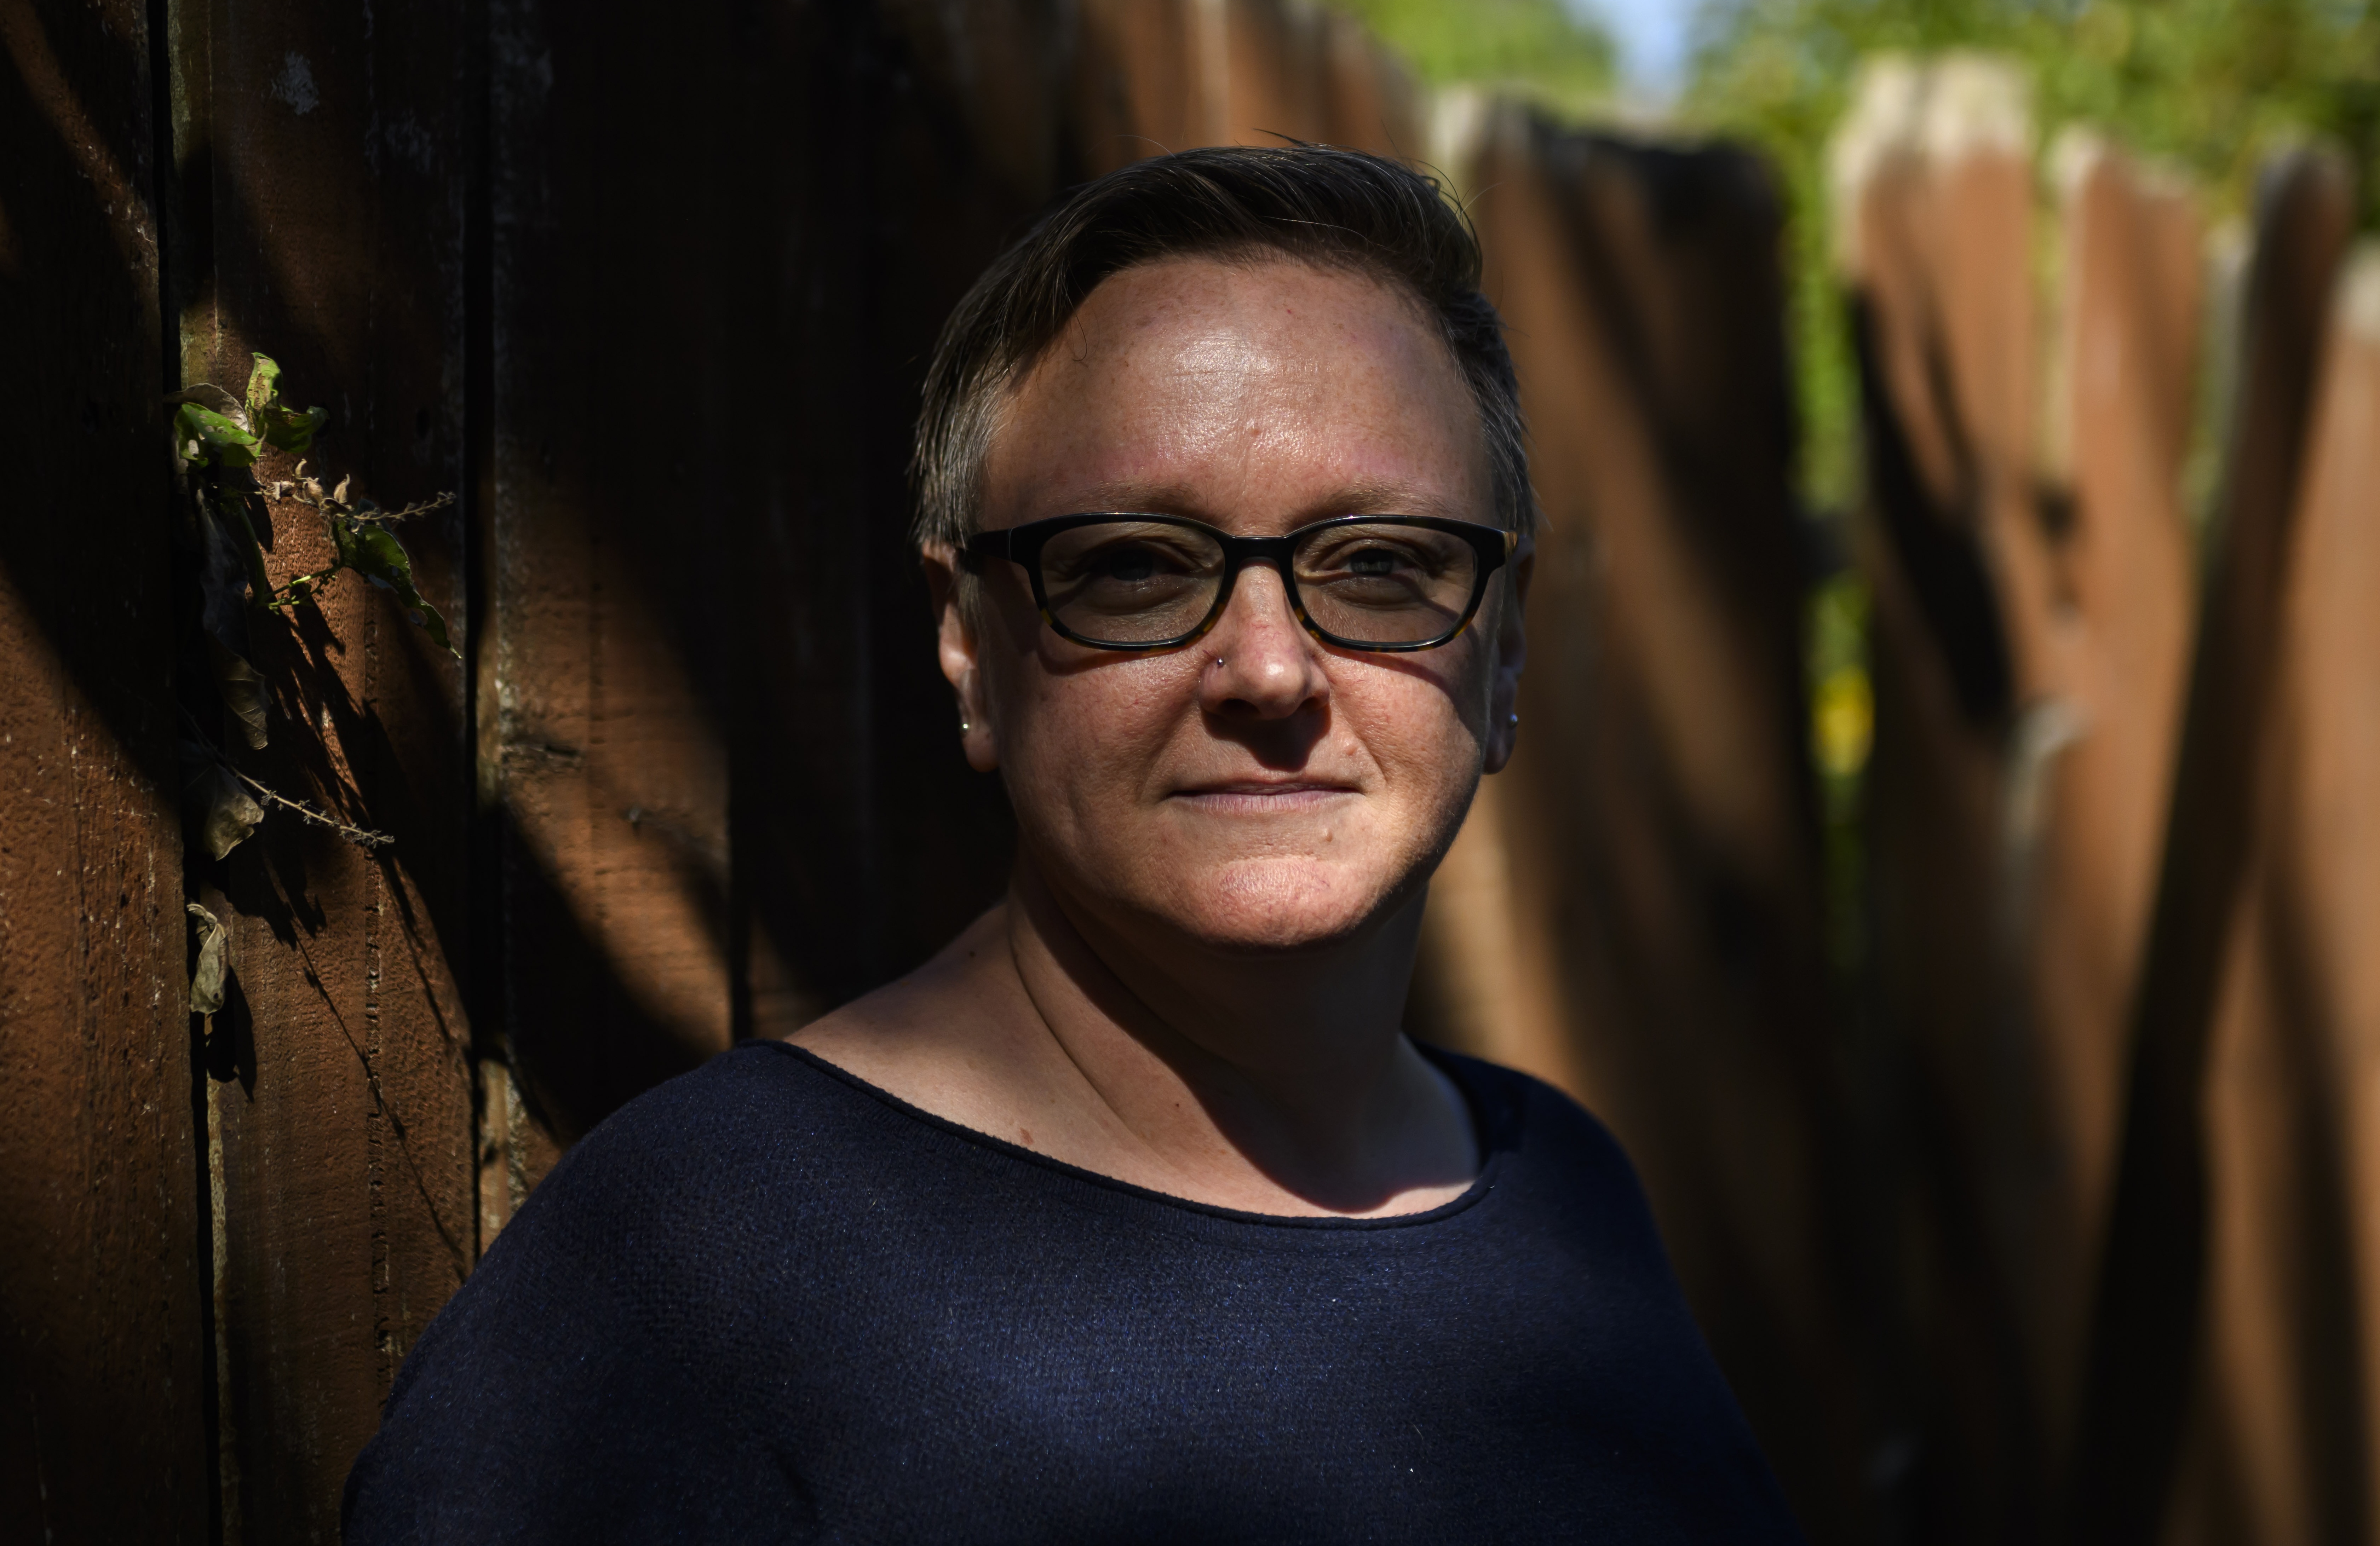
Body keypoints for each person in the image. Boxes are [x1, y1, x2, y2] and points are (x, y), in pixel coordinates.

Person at [343, 146, 1800, 1542]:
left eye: (1376, 563)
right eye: (1133, 567)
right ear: (968, 646)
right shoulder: (697, 1274)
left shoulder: (1560, 1188)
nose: (1268, 670)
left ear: (1506, 644)